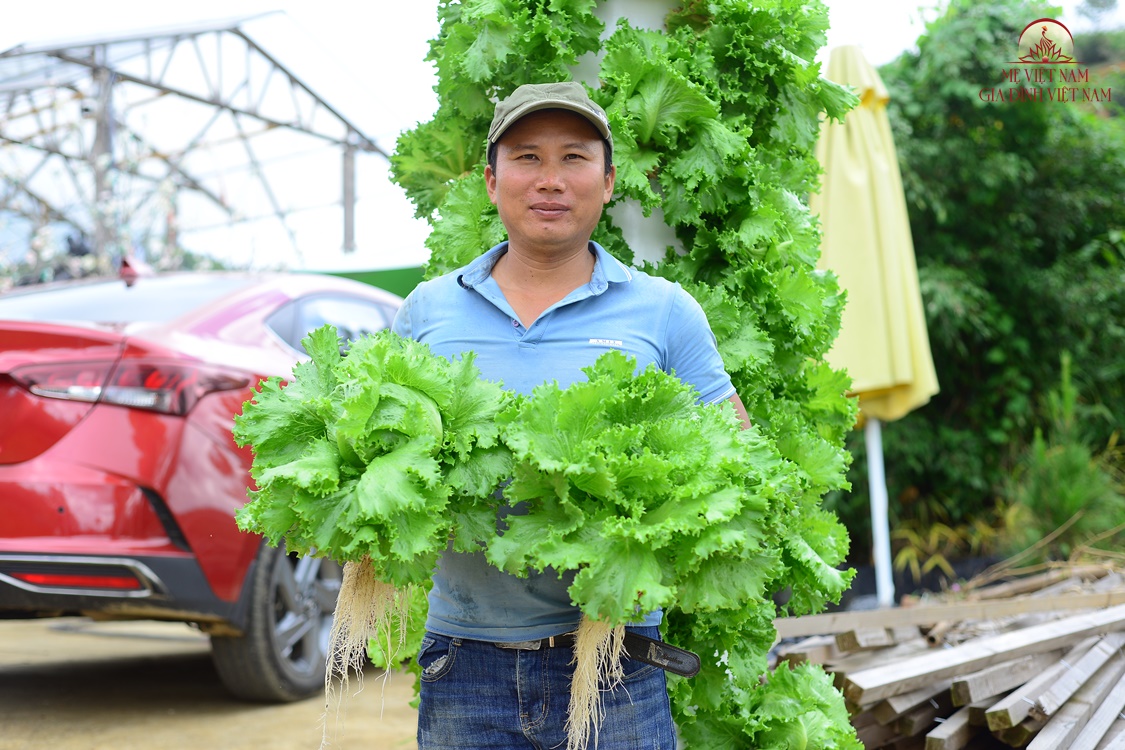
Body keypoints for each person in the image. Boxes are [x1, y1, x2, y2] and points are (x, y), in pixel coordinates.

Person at [391, 81, 750, 749]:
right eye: (527, 158)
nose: (550, 180)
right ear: (492, 181)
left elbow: (737, 453)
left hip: (614, 659)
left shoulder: (664, 311)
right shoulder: (427, 312)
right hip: (464, 660)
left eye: (574, 158)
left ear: (608, 181)